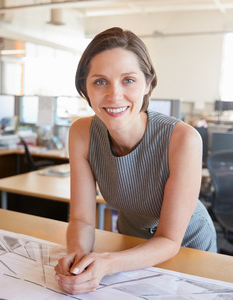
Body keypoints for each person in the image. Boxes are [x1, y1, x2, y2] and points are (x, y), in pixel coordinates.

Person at [54, 27, 217, 295]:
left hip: (186, 244)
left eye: (128, 80)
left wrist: (107, 263)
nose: (114, 95)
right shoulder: (81, 133)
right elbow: (82, 219)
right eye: (100, 81)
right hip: (130, 241)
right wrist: (78, 260)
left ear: (148, 84)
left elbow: (168, 240)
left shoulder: (183, 139)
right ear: (85, 87)